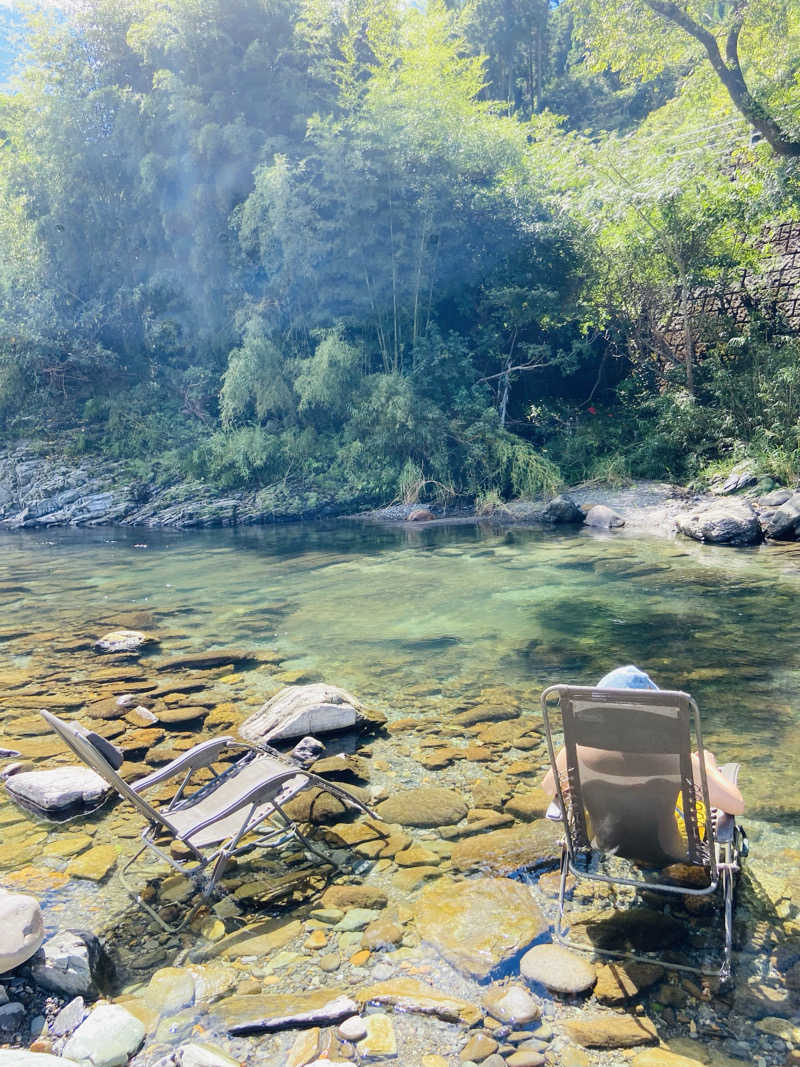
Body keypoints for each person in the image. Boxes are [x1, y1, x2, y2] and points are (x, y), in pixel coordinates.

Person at [540, 664, 745, 816]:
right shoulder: (677, 760)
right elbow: (736, 806)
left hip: (605, 842)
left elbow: (549, 788)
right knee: (702, 775)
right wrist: (705, 765)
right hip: (665, 851)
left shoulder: (574, 752)